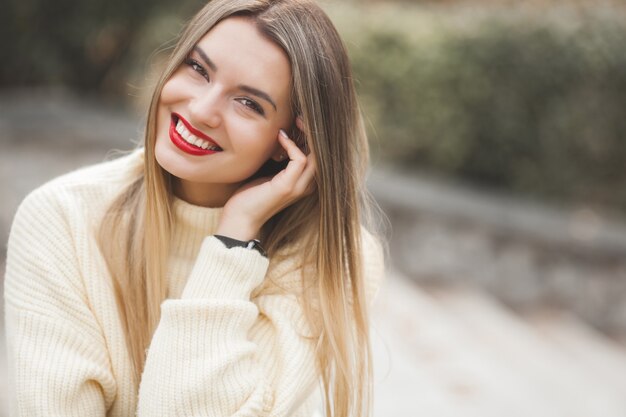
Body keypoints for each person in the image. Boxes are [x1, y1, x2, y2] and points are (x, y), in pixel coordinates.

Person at [4, 0, 385, 416]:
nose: (201, 110)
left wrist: (235, 240)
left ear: (291, 142)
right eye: (198, 69)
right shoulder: (63, 219)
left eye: (249, 103)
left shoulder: (335, 261)